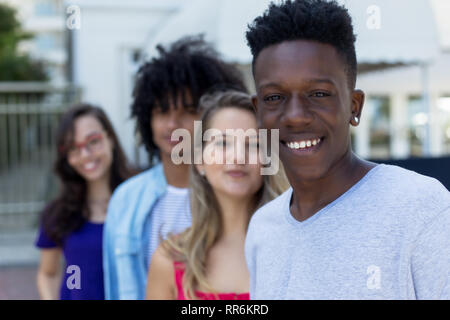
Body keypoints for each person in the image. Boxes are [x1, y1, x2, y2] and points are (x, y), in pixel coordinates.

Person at [245, 0, 450, 299]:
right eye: (274, 97)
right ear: (258, 111)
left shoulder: (422, 210)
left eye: (318, 94)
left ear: (354, 106)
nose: (296, 116)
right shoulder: (262, 230)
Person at [103, 35, 248, 300]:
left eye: (187, 111)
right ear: (147, 118)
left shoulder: (236, 192)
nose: (172, 124)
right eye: (161, 111)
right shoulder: (125, 200)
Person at [145, 90, 289, 300]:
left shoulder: (295, 250)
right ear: (199, 161)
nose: (238, 157)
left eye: (254, 144)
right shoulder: (169, 260)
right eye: (222, 143)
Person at [35, 104, 135, 300]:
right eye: (73, 148)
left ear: (111, 139)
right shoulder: (58, 213)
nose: (85, 155)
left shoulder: (140, 201)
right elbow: (48, 273)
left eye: (93, 141)